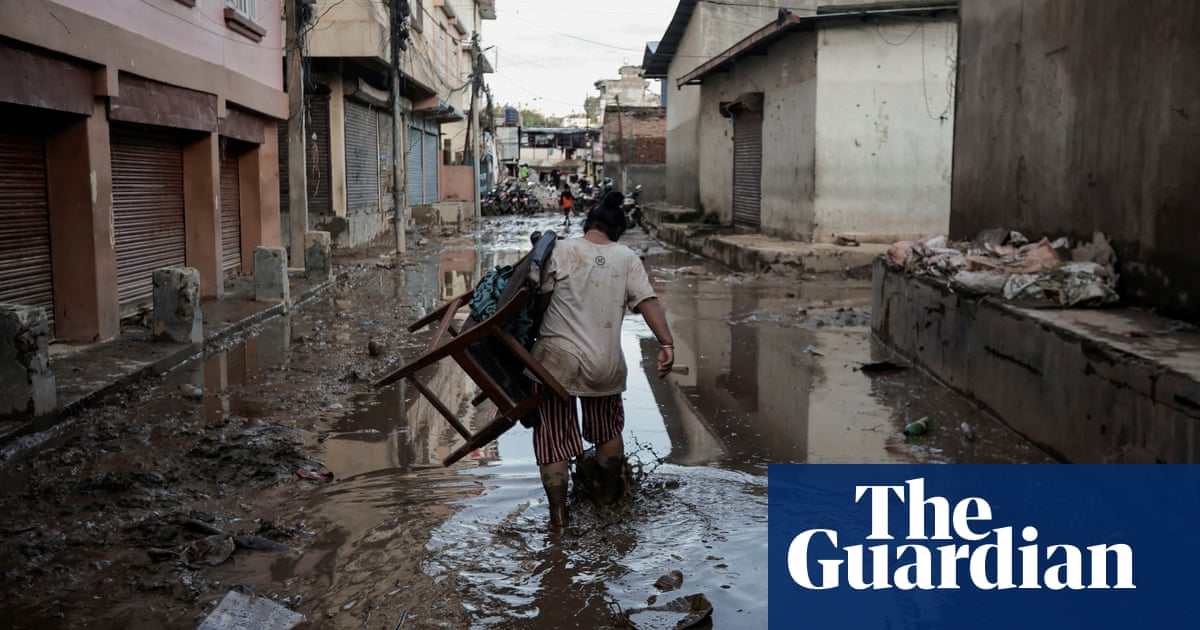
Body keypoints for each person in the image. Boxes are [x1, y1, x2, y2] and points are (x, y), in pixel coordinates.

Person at [530, 191, 675, 529]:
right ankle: (609, 505)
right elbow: (647, 301)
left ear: (587, 223)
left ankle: (559, 518)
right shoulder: (626, 257)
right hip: (604, 364)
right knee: (607, 430)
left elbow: (537, 303)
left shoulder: (561, 249)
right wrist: (666, 343)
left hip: (554, 360)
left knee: (553, 437)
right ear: (617, 231)